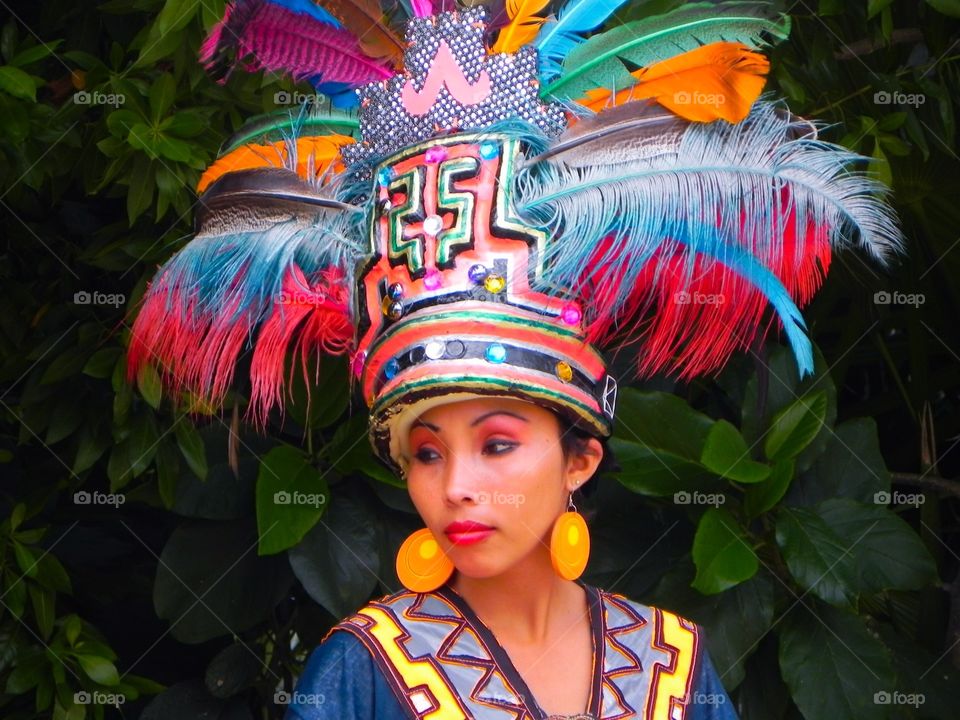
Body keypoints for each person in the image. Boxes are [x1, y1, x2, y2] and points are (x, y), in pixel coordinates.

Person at [126, 0, 903, 717]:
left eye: (497, 443)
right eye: (427, 453)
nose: (458, 486)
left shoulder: (672, 666)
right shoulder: (362, 673)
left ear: (581, 459)